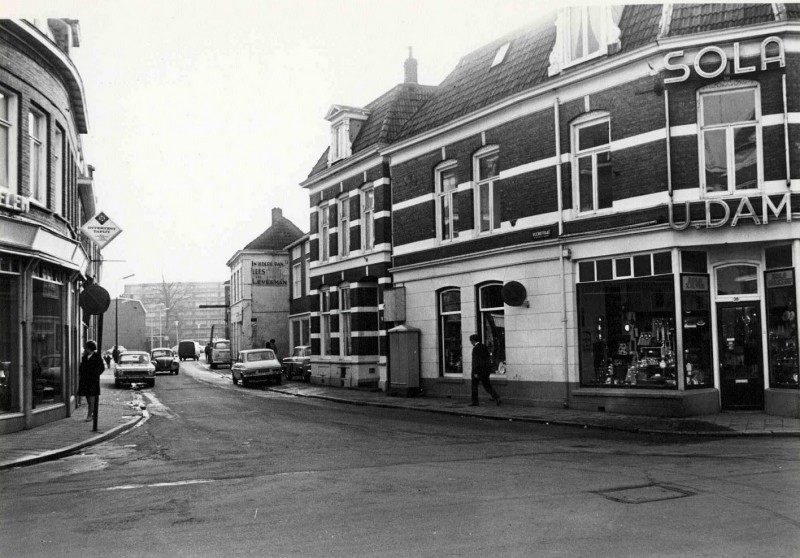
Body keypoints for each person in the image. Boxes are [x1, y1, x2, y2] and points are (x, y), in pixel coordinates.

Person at [77, 340, 105, 422]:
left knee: (92, 397)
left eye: (87, 348)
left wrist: (95, 375)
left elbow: (101, 368)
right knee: (88, 397)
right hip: (85, 380)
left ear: (91, 348)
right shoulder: (84, 357)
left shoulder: (97, 356)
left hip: (93, 381)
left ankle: (89, 415)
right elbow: (81, 368)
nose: (86, 350)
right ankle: (92, 412)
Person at [469, 334, 501, 407]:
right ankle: (497, 397)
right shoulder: (484, 347)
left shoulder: (475, 348)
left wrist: (475, 372)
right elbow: (487, 359)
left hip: (477, 371)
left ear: (473, 341)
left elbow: (475, 361)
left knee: (474, 386)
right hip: (485, 371)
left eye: (471, 341)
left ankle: (475, 402)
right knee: (487, 386)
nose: (471, 343)